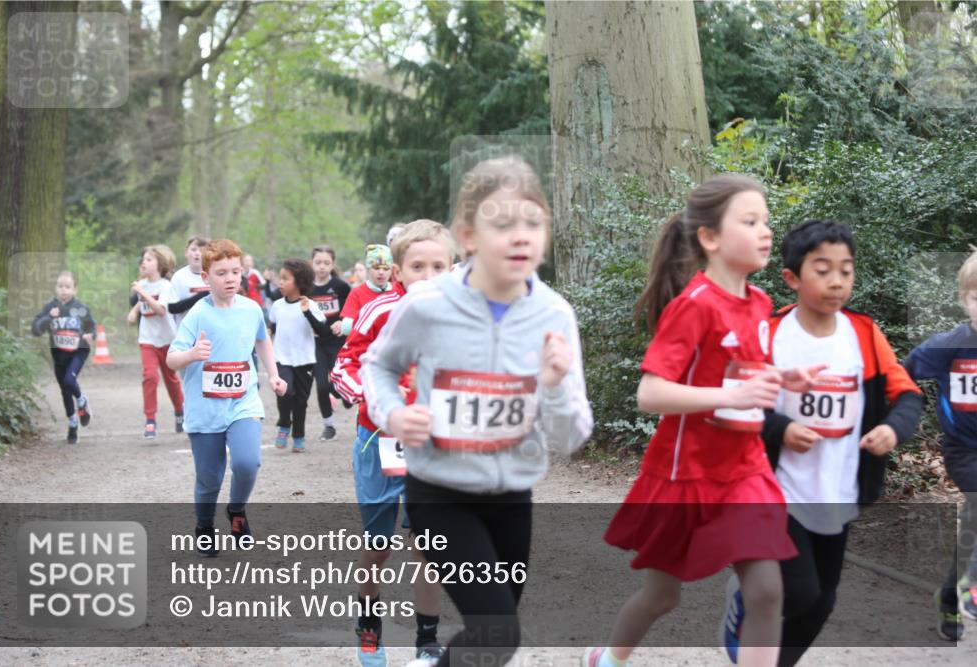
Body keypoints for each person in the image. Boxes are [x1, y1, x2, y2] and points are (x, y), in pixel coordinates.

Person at [361, 157, 594, 667]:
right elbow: (375, 368)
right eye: (503, 224)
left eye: (533, 223)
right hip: (439, 494)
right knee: (497, 632)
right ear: (467, 235)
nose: (521, 237)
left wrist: (552, 386)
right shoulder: (427, 305)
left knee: (490, 646)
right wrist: (395, 415)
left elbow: (572, 435)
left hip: (511, 495)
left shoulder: (554, 314)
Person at [584, 175, 823, 667]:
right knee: (662, 596)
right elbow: (650, 393)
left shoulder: (759, 303)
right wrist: (730, 394)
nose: (765, 232)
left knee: (765, 591)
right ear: (710, 238)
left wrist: (784, 376)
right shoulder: (693, 306)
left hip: (745, 470)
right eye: (750, 221)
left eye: (767, 221)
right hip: (686, 474)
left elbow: (742, 371)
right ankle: (607, 659)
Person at [720, 219, 923, 665]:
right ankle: (746, 603)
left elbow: (907, 394)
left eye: (846, 271)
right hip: (775, 488)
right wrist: (780, 428)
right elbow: (736, 401)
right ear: (791, 277)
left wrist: (893, 428)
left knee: (822, 602)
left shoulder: (864, 334)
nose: (836, 282)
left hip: (837, 490)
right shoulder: (769, 334)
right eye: (823, 270)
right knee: (798, 590)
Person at [330, 220, 457, 667]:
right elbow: (344, 364)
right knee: (378, 544)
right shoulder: (381, 311)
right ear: (398, 272)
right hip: (378, 441)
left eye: (438, 266)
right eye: (417, 266)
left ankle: (426, 641)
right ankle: (368, 624)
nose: (428, 275)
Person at [167, 239, 287, 554]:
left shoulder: (250, 309)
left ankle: (236, 509)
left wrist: (273, 374)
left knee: (248, 463)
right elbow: (171, 359)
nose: (230, 278)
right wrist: (192, 354)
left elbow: (263, 341)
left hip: (242, 401)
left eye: (235, 271)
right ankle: (204, 525)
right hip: (204, 407)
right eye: (221, 273)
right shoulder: (198, 314)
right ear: (206, 278)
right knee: (209, 476)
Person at [905, 248, 977, 641]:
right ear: (964, 300)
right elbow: (903, 374)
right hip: (965, 451)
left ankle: (950, 599)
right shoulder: (949, 345)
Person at [268, 259, 329, 452]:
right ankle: (284, 423)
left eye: (285, 278)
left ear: (299, 281)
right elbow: (274, 327)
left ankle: (299, 436)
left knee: (301, 402)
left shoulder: (309, 305)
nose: (280, 282)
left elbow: (323, 330)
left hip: (304, 360)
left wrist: (307, 313)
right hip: (282, 359)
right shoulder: (277, 306)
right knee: (285, 393)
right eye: (280, 277)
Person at [31, 271, 96, 444]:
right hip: (59, 354)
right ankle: (72, 423)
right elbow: (36, 329)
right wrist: (48, 317)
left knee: (69, 381)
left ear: (75, 289)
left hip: (79, 351)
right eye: (60, 286)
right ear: (56, 288)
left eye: (68, 287)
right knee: (65, 390)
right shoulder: (51, 308)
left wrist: (91, 335)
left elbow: (91, 327)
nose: (64, 290)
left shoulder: (80, 308)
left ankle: (81, 400)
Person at [127, 246, 184, 438]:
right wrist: (134, 311)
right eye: (143, 259)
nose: (144, 262)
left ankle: (179, 411)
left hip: (167, 339)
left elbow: (160, 310)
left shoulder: (166, 286)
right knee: (150, 376)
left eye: (149, 259)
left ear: (160, 264)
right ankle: (150, 420)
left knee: (171, 380)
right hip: (147, 339)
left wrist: (142, 292)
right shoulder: (142, 285)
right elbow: (141, 301)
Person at [307, 245, 353, 438]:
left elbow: (353, 309)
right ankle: (329, 426)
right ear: (312, 263)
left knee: (336, 380)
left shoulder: (341, 287)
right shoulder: (307, 287)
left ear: (332, 264)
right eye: (318, 262)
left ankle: (344, 394)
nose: (322, 267)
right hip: (316, 342)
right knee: (322, 386)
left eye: (326, 263)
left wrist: (342, 322)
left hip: (337, 342)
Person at [339, 245, 394, 336]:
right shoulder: (357, 292)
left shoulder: (397, 291)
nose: (381, 272)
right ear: (368, 269)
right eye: (376, 268)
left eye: (386, 268)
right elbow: (346, 328)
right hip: (365, 346)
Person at [169, 236, 211, 325]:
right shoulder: (179, 277)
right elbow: (172, 308)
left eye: (202, 250)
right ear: (186, 253)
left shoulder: (215, 275)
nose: (198, 253)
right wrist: (202, 296)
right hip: (186, 331)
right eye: (194, 249)